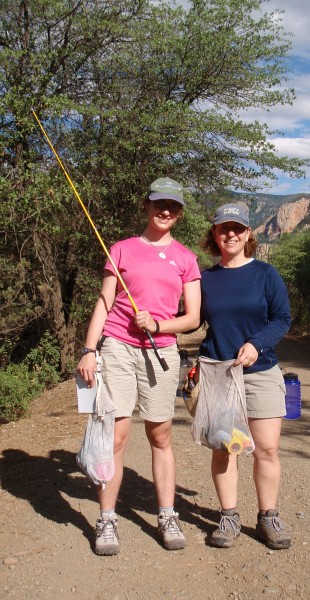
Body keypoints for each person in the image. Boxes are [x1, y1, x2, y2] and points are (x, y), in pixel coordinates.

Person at [77, 177, 201, 555]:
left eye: (174, 207)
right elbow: (104, 301)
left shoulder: (185, 257)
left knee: (160, 436)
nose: (166, 211)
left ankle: (166, 515)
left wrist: (160, 325)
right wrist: (89, 349)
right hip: (117, 348)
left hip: (161, 351)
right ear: (146, 206)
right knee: (116, 436)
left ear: (179, 214)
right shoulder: (121, 249)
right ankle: (107, 519)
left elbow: (193, 317)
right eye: (159, 204)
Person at [198, 203, 292, 550]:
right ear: (216, 235)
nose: (231, 234)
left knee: (267, 449)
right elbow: (192, 319)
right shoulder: (204, 279)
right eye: (224, 228)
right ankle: (228, 515)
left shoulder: (266, 274)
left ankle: (268, 516)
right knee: (226, 448)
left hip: (261, 371)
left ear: (249, 234)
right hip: (219, 374)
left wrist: (256, 344)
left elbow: (282, 318)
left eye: (238, 228)